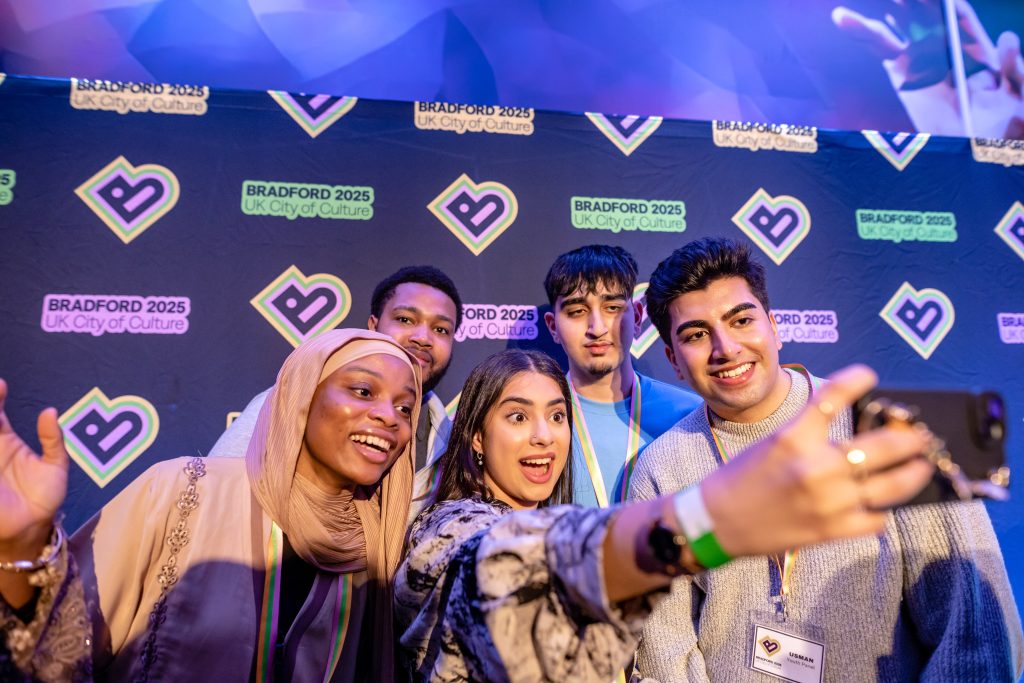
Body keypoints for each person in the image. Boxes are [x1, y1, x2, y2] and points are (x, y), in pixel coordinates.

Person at [395, 348, 936, 682]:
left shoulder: (561, 517)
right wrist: (707, 523)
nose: (543, 435)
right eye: (517, 417)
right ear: (476, 439)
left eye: (557, 416)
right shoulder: (447, 528)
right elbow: (501, 571)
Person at [629, 237, 1024, 682]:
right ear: (673, 359)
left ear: (774, 327)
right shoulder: (661, 469)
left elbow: (972, 631)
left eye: (741, 320)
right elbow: (665, 645)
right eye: (697, 334)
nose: (725, 348)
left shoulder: (889, 432)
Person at [0, 329, 420, 682]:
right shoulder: (184, 488)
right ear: (302, 396)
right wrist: (19, 548)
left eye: (405, 407)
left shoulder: (372, 551)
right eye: (363, 391)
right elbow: (59, 635)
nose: (389, 417)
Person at [210, 265, 462, 515]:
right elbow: (214, 494)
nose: (422, 337)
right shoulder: (296, 398)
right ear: (373, 327)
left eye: (440, 329)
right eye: (405, 319)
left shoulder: (451, 442)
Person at [543, 245, 701, 509]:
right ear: (553, 327)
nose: (597, 328)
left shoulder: (690, 414)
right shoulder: (534, 423)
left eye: (613, 308)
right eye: (577, 312)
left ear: (637, 316)